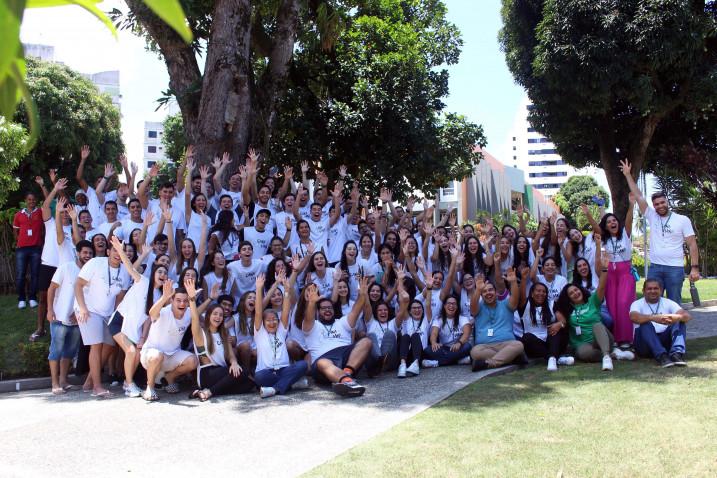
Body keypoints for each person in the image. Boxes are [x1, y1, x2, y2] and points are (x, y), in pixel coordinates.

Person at [620, 159, 700, 304]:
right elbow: (638, 195)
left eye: (662, 202)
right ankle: (656, 327)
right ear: (654, 206)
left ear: (667, 202)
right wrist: (627, 175)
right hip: (655, 267)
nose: (660, 206)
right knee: (652, 302)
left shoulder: (682, 220)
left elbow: (692, 244)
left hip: (675, 268)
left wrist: (694, 268)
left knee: (674, 302)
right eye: (656, 204)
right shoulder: (652, 215)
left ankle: (676, 328)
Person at [554, 254, 634, 371]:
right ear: (568, 298)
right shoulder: (568, 310)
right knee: (582, 354)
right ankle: (615, 354)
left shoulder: (592, 301)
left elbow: (601, 287)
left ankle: (606, 357)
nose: (575, 293)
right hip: (583, 344)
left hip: (603, 338)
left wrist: (605, 269)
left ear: (581, 290)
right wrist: (559, 322)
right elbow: (557, 310)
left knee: (597, 325)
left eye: (576, 290)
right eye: (571, 293)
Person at [107, 236, 165, 398]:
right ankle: (130, 384)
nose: (162, 274)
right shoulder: (142, 281)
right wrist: (120, 250)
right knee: (131, 351)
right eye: (159, 271)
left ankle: (127, 383)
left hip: (134, 330)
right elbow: (130, 268)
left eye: (165, 273)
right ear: (154, 273)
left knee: (137, 353)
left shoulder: (159, 295)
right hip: (119, 321)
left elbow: (148, 319)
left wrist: (143, 338)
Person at [74, 236, 130, 397]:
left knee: (111, 344)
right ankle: (97, 387)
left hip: (107, 313)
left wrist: (114, 319)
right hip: (88, 309)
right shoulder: (95, 263)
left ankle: (90, 380)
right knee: (96, 345)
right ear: (108, 251)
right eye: (115, 249)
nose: (118, 253)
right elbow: (78, 285)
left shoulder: (125, 272)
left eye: (121, 250)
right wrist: (83, 308)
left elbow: (119, 298)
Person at [186, 278, 254, 401]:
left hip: (222, 373)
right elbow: (194, 317)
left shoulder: (224, 333)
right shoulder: (200, 333)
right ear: (208, 316)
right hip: (207, 373)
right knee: (244, 372)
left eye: (221, 315)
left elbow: (231, 355)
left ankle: (201, 392)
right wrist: (192, 299)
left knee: (248, 385)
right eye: (215, 314)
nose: (218, 317)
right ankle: (209, 392)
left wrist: (234, 363)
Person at [303, 278, 371, 397]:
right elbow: (308, 317)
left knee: (366, 341)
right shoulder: (312, 326)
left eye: (330, 308)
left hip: (346, 357)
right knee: (322, 362)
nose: (327, 310)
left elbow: (355, 311)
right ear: (318, 312)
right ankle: (348, 382)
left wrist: (362, 295)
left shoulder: (341, 322)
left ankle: (346, 373)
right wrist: (312, 303)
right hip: (323, 363)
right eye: (323, 308)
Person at [46, 240, 94, 394]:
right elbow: (51, 288)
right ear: (78, 253)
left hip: (77, 320)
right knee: (56, 351)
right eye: (85, 252)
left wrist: (79, 310)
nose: (88, 255)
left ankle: (63, 381)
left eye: (90, 253)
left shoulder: (91, 271)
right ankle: (54, 384)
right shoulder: (66, 267)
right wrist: (49, 310)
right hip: (59, 317)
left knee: (69, 352)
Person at [140, 280, 199, 401]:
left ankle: (169, 377)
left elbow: (197, 319)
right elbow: (152, 313)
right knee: (157, 355)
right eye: (178, 300)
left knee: (193, 361)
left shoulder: (189, 312)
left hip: (172, 356)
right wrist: (164, 297)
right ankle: (149, 388)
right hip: (151, 355)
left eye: (185, 300)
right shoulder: (165, 311)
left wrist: (192, 298)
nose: (182, 303)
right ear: (171, 301)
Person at [253, 273, 309, 398]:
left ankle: (274, 389)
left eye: (274, 320)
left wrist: (287, 291)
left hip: (284, 370)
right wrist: (258, 289)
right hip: (267, 372)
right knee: (259, 376)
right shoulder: (259, 332)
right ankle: (291, 384)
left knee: (303, 365)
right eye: (268, 320)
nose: (272, 322)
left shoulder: (281, 331)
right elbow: (258, 312)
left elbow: (286, 310)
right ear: (263, 322)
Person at [513, 267, 572, 371]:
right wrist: (523, 278)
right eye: (538, 291)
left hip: (551, 341)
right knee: (526, 337)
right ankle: (554, 358)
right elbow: (521, 295)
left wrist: (559, 324)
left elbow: (563, 321)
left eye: (544, 291)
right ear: (531, 293)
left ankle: (553, 359)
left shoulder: (551, 304)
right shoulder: (525, 304)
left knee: (556, 331)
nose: (541, 294)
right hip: (533, 344)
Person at [469, 268, 525, 371]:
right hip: (485, 347)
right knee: (474, 352)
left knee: (518, 345)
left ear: (496, 293)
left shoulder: (506, 304)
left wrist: (513, 282)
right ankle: (511, 358)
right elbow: (472, 308)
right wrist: (478, 290)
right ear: (482, 295)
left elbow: (515, 299)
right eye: (484, 292)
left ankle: (488, 364)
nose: (488, 293)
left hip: (507, 344)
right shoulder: (479, 307)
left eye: (490, 290)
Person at [630, 279, 691, 367]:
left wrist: (673, 317)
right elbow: (633, 317)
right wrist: (654, 318)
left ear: (661, 290)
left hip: (664, 341)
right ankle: (662, 356)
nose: (652, 291)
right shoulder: (637, 304)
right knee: (645, 324)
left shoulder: (668, 302)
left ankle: (676, 354)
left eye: (656, 288)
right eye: (649, 289)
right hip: (644, 345)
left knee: (680, 322)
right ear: (643, 291)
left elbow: (687, 316)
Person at [423, 294, 472, 367]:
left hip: (458, 347)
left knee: (467, 346)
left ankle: (436, 363)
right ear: (444, 306)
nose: (451, 306)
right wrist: (433, 342)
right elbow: (434, 333)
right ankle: (458, 360)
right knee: (427, 350)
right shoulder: (438, 319)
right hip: (443, 348)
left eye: (454, 304)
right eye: (449, 303)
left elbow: (466, 333)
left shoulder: (463, 318)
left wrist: (459, 343)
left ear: (457, 306)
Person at [14, 191, 43, 309]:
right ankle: (21, 298)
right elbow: (15, 230)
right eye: (29, 199)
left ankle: (32, 298)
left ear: (36, 200)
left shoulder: (40, 212)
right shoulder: (18, 215)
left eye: (33, 199)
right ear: (26, 201)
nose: (32, 201)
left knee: (35, 275)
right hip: (22, 249)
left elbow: (44, 229)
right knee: (21, 275)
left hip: (35, 248)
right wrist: (18, 242)